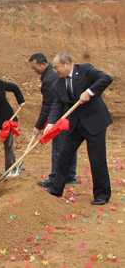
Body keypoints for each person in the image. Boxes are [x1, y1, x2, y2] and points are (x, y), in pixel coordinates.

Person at [44, 52, 113, 205]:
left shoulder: (86, 70)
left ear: (67, 64)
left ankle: (102, 194)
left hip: (94, 122)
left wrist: (89, 92)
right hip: (75, 124)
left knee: (97, 158)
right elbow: (57, 104)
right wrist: (51, 124)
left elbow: (106, 78)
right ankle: (56, 189)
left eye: (57, 68)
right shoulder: (58, 84)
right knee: (64, 155)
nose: (55, 71)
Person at [29, 53, 77, 187]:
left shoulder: (49, 79)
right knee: (69, 145)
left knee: (58, 147)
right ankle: (70, 175)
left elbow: (48, 105)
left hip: (61, 117)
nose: (34, 70)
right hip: (70, 115)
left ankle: (56, 178)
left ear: (43, 64)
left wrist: (39, 126)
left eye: (35, 67)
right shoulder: (51, 75)